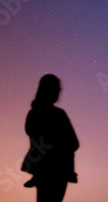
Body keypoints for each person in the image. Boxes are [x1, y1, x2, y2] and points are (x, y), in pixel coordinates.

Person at [21, 74, 79, 202]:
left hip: (46, 171)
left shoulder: (34, 113)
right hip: (56, 171)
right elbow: (73, 143)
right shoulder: (58, 115)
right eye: (57, 88)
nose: (59, 92)